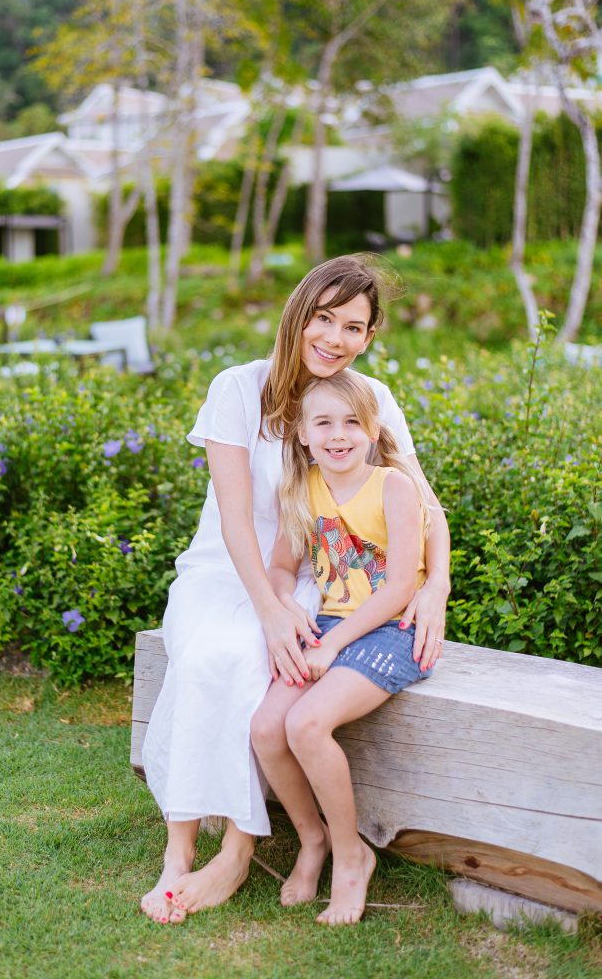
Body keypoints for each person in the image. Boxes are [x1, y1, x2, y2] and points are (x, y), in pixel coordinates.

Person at [140, 255, 450, 924]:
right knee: (211, 653)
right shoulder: (238, 387)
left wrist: (437, 588)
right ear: (299, 310)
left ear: (370, 337)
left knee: (259, 664)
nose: (335, 337)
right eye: (324, 316)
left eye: (354, 326)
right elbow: (232, 517)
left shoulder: (368, 400)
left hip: (325, 581)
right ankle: (179, 847)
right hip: (231, 568)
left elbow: (424, 505)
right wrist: (270, 609)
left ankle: (239, 847)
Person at [251, 371, 432, 925]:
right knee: (265, 729)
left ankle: (353, 856)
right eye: (323, 422)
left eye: (352, 422)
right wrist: (286, 603)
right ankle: (314, 840)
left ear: (373, 429)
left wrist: (331, 645)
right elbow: (282, 566)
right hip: (329, 624)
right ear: (302, 434)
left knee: (306, 724)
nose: (338, 434)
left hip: (391, 631)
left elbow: (402, 588)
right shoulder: (302, 487)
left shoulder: (393, 487)